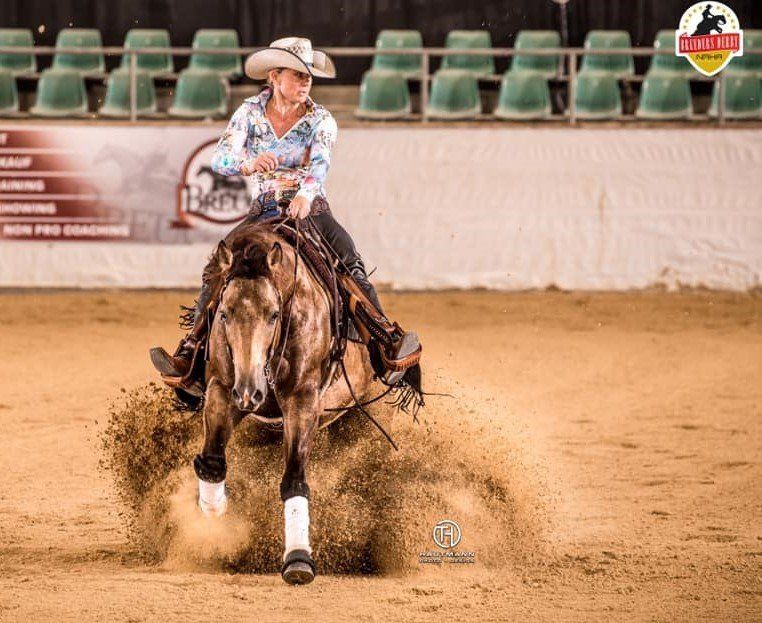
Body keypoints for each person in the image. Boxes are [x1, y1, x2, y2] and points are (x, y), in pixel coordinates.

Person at [150, 37, 421, 395]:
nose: (306, 81)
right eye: (297, 74)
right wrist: (248, 163)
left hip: (312, 209)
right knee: (218, 268)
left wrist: (306, 194)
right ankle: (193, 353)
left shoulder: (321, 119)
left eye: (308, 75)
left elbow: (320, 163)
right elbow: (221, 158)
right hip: (264, 208)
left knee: (350, 264)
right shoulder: (249, 112)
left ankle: (385, 344)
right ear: (274, 77)